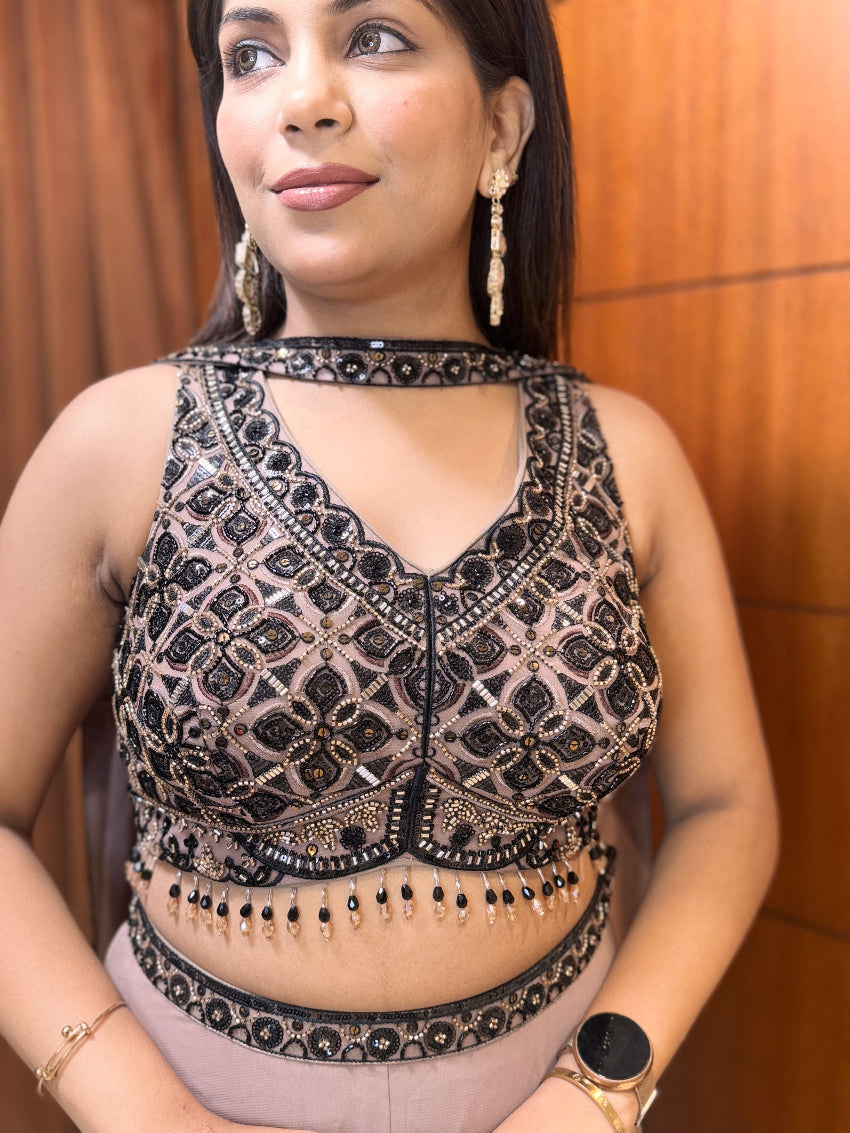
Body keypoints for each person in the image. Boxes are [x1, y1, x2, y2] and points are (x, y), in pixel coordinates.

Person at [0, 0, 778, 1131]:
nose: (302, 99)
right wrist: (147, 1115)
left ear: (504, 130)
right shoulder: (120, 442)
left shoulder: (626, 453)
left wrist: (598, 1091)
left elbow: (726, 806)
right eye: (249, 56)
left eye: (372, 36)